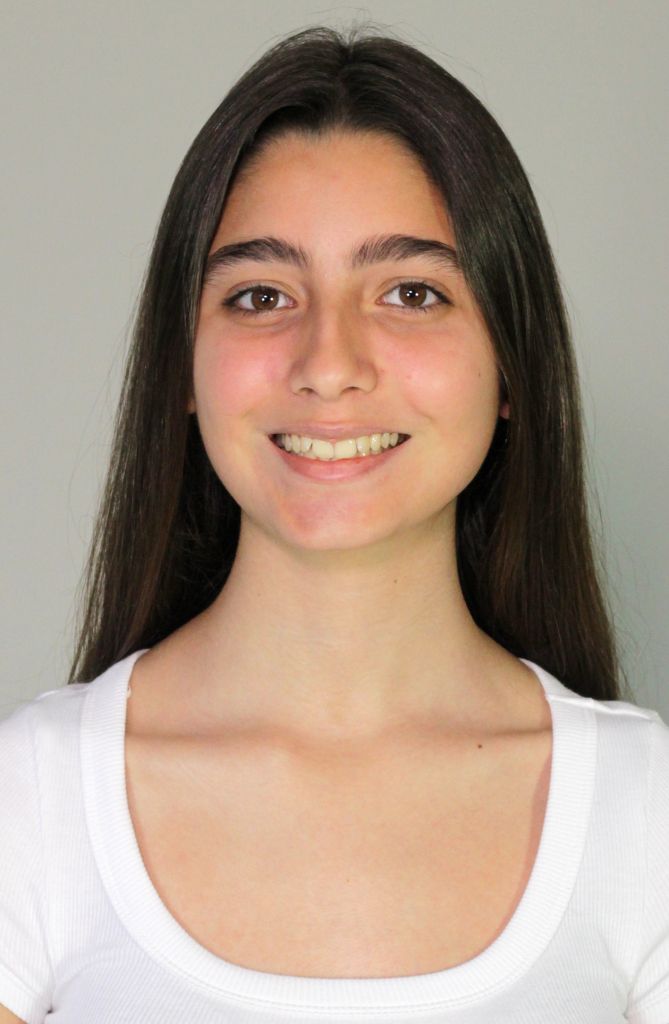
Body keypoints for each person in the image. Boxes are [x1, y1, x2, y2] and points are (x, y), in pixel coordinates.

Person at [0, 23, 667, 1024]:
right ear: (184, 364)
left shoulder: (645, 809)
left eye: (411, 292)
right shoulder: (29, 803)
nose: (328, 363)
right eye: (262, 295)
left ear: (510, 366)